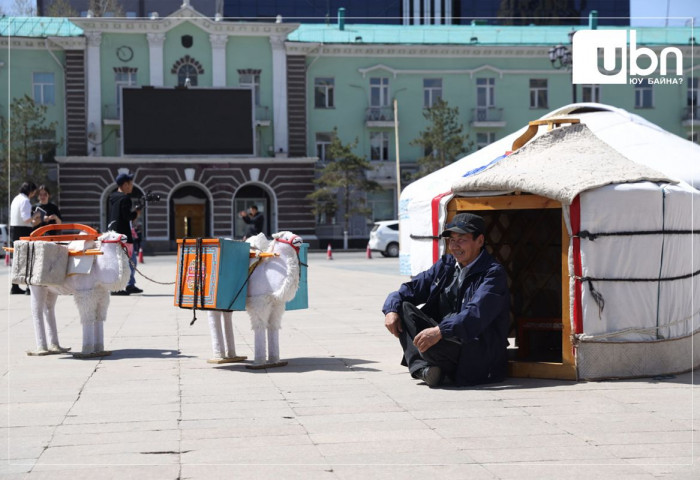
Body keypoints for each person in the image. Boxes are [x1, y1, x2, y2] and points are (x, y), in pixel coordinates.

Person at [382, 213, 510, 388]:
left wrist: (439, 331)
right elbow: (412, 288)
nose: (455, 246)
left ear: (480, 241)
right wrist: (391, 309)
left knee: (428, 343)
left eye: (462, 239)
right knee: (403, 308)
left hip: (474, 347)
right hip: (444, 338)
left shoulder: (493, 274)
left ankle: (426, 369)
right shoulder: (447, 265)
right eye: (451, 240)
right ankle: (426, 370)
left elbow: (475, 314)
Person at [108, 172, 142, 295]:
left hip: (113, 233)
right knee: (128, 261)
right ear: (125, 185)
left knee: (117, 262)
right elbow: (127, 216)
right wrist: (137, 213)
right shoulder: (125, 198)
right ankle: (122, 287)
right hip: (123, 236)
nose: (132, 186)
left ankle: (125, 285)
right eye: (131, 184)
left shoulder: (112, 197)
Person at [10, 182, 39, 294]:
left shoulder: (16, 199)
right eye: (34, 192)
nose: (33, 194)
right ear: (30, 191)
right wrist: (35, 216)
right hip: (23, 230)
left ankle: (14, 286)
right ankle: (28, 287)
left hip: (14, 229)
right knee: (27, 258)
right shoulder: (25, 201)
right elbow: (26, 219)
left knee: (16, 259)